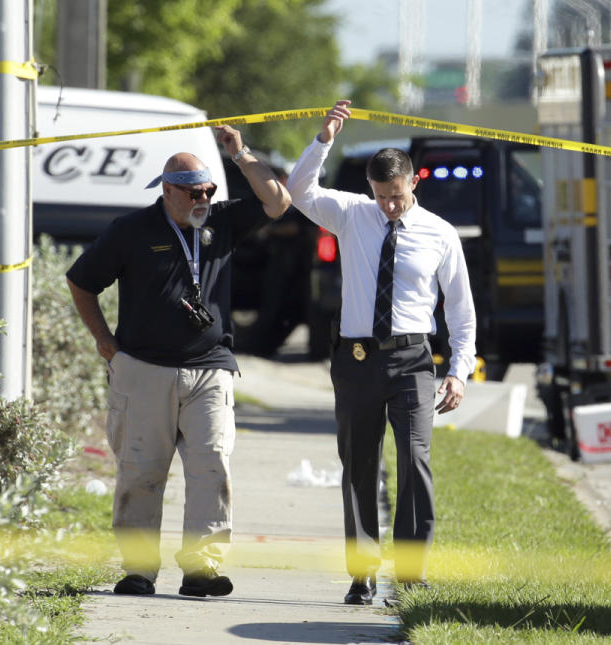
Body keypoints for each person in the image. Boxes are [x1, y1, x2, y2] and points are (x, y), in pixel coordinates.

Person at [66, 125, 290, 597]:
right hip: (144, 369)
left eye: (207, 190)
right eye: (192, 192)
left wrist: (241, 154)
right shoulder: (131, 231)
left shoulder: (222, 222)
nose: (202, 198)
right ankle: (138, 571)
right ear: (167, 190)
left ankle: (202, 569)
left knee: (212, 465)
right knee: (141, 471)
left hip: (210, 367)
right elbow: (82, 282)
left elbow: (277, 202)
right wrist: (105, 341)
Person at [287, 99, 476, 605]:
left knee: (414, 460)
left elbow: (460, 310)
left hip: (413, 360)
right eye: (381, 196)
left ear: (413, 183)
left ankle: (412, 576)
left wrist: (458, 371)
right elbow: (298, 190)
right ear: (370, 190)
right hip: (356, 360)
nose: (390, 206)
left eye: (397, 195)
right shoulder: (352, 215)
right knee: (358, 464)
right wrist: (324, 139)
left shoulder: (440, 233)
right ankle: (363, 573)